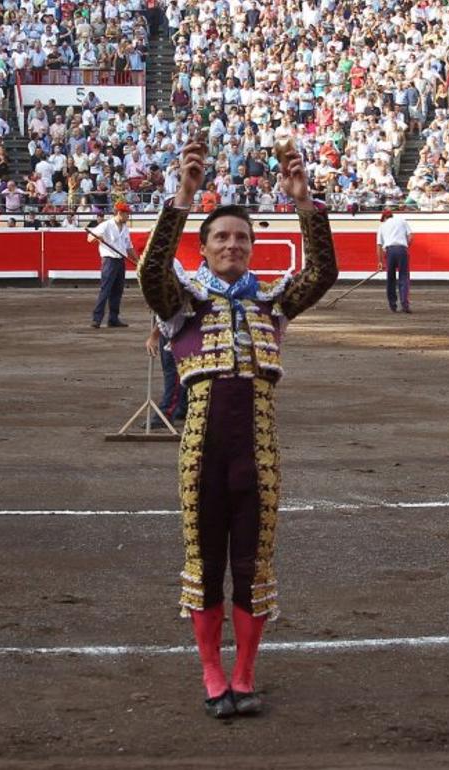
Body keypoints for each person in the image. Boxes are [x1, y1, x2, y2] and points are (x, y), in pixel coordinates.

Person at [136, 133, 337, 720]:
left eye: (241, 238)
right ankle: (212, 674)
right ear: (203, 248)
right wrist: (183, 195)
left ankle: (244, 675)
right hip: (201, 452)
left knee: (253, 564)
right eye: (221, 237)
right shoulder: (183, 301)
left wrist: (303, 201)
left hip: (260, 452)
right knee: (204, 563)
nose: (232, 244)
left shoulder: (273, 302)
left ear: (252, 247)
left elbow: (323, 272)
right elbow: (151, 273)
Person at [87, 202, 137, 328]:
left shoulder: (125, 228)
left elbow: (129, 247)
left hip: (120, 261)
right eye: (126, 214)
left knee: (117, 291)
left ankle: (113, 319)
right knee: (106, 289)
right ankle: (97, 319)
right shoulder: (106, 225)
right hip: (109, 260)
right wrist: (97, 237)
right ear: (119, 213)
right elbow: (89, 238)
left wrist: (137, 261)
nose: (128, 216)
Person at [145, 317, 187, 427]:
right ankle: (182, 405)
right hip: (173, 325)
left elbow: (169, 312)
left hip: (175, 324)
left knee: (174, 370)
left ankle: (166, 412)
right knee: (175, 369)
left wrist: (154, 335)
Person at [376, 208, 414, 313]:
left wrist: (380, 262)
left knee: (391, 279)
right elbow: (411, 237)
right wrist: (405, 247)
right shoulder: (402, 221)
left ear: (384, 217)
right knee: (404, 277)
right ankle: (405, 304)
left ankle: (393, 305)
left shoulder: (382, 226)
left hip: (390, 252)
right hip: (402, 250)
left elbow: (379, 246)